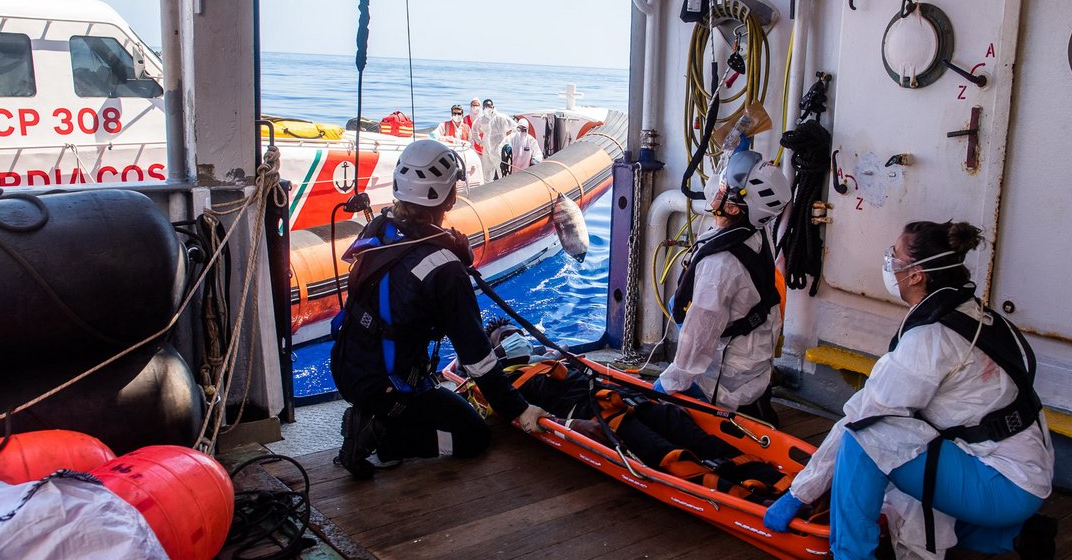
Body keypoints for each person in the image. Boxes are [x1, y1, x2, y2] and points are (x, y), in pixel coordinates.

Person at [764, 220, 1057, 560]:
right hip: (1023, 471)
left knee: (863, 441)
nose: (888, 262)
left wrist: (800, 495)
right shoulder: (975, 315)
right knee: (905, 504)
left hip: (1000, 484)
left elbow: (862, 419)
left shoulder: (930, 339)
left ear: (916, 274)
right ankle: (1021, 535)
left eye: (894, 256)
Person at [329, 139, 550, 478]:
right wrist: (518, 411)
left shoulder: (381, 228)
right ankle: (382, 437)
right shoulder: (445, 271)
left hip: (348, 367)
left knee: (447, 407)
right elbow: (477, 357)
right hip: (388, 388)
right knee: (473, 437)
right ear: (448, 197)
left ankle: (376, 419)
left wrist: (455, 254)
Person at [482, 320, 789, 499]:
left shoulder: (559, 359)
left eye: (515, 332)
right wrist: (573, 426)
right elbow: (528, 416)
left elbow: (601, 374)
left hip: (630, 399)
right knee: (671, 456)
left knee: (702, 441)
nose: (515, 338)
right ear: (496, 353)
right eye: (505, 338)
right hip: (604, 420)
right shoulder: (507, 383)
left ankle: (783, 485)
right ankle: (752, 500)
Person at [653, 150, 790, 425]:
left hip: (726, 381)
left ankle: (707, 408)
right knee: (677, 305)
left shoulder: (720, 265)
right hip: (754, 363)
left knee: (660, 396)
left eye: (724, 189)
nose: (716, 192)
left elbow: (698, 336)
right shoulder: (755, 232)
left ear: (733, 208)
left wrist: (669, 384)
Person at [469, 99, 515, 181]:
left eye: (489, 106)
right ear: (482, 108)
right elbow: (474, 130)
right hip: (486, 150)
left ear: (493, 107)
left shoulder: (501, 117)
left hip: (499, 150)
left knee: (502, 172)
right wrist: (479, 142)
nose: (487, 108)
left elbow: (515, 126)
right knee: (486, 173)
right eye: (485, 106)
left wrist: (509, 140)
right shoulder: (481, 119)